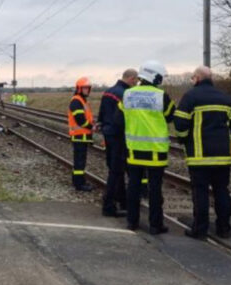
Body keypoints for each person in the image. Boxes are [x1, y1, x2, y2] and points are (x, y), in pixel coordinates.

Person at [174, 66, 231, 239]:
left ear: (198, 78)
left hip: (199, 155)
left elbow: (180, 123)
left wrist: (184, 139)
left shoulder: (190, 97)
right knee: (222, 191)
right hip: (223, 156)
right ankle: (224, 228)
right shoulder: (225, 98)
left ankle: (200, 229)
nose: (192, 80)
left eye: (193, 77)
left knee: (200, 192)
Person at [119, 61, 176, 234]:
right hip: (156, 151)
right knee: (155, 189)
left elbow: (120, 116)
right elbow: (170, 116)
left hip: (134, 149)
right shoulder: (161, 96)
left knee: (134, 186)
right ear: (154, 76)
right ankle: (155, 224)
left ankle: (132, 222)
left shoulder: (128, 94)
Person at [96, 68, 139, 217]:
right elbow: (123, 118)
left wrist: (101, 123)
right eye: (136, 80)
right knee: (116, 170)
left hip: (109, 133)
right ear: (131, 78)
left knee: (116, 168)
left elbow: (101, 113)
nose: (136, 83)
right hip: (119, 134)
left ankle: (122, 201)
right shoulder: (125, 94)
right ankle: (109, 205)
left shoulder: (108, 91)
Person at [68, 77, 95, 192]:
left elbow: (86, 118)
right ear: (79, 88)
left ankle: (80, 181)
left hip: (82, 136)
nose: (87, 90)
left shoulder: (82, 101)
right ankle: (79, 184)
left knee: (81, 161)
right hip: (79, 136)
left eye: (88, 88)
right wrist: (91, 126)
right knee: (79, 161)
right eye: (85, 88)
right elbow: (80, 120)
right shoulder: (76, 101)